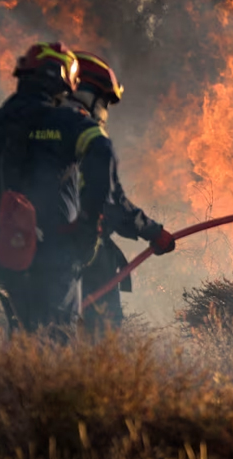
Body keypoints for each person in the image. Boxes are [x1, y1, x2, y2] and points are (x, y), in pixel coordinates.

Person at [0, 42, 115, 335]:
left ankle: (18, 379)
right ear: (63, 81)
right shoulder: (69, 123)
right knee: (54, 339)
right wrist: (87, 227)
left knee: (21, 335)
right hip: (55, 253)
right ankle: (41, 380)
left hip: (0, 255)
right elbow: (102, 156)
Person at [70, 51, 173, 331]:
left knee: (42, 334)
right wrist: (153, 231)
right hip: (85, 252)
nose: (104, 111)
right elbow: (112, 202)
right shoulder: (87, 136)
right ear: (86, 94)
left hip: (32, 253)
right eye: (103, 101)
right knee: (101, 331)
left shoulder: (32, 130)